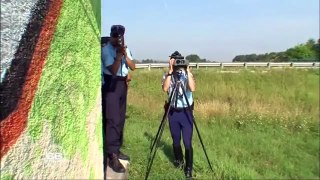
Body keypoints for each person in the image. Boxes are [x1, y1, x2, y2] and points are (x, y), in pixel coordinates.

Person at [101, 25, 136, 173]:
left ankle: (117, 148)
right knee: (113, 120)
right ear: (111, 36)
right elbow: (113, 70)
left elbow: (133, 67)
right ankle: (112, 156)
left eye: (120, 36)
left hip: (122, 84)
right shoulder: (106, 50)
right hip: (111, 84)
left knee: (121, 119)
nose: (118, 38)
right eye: (115, 36)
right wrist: (118, 57)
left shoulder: (125, 49)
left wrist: (125, 55)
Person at [162, 51, 196, 179]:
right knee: (176, 140)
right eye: (174, 61)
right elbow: (165, 89)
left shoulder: (187, 75)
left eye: (178, 61)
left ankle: (188, 169)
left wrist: (187, 71)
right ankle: (179, 162)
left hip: (186, 112)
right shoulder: (167, 75)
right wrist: (170, 72)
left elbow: (192, 89)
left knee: (187, 142)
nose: (177, 64)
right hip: (173, 112)